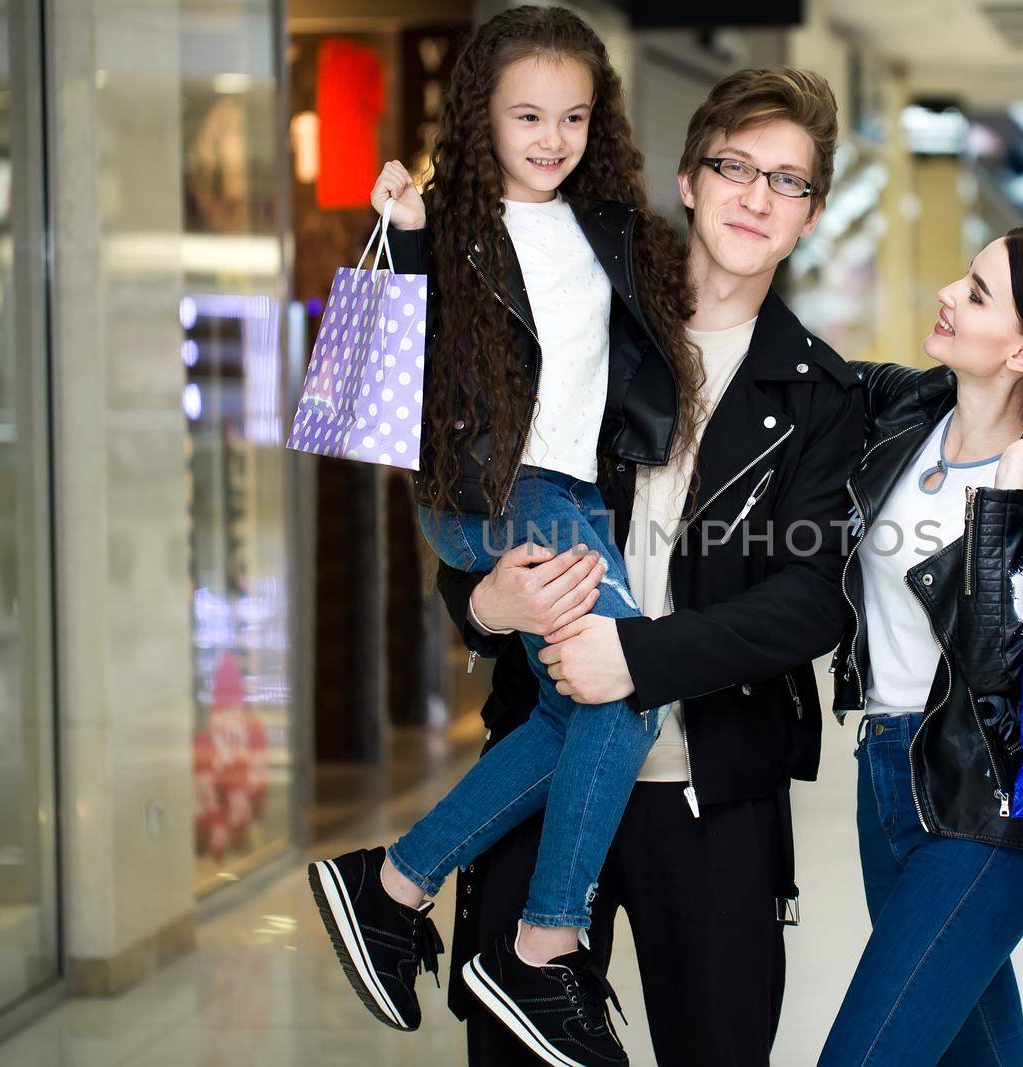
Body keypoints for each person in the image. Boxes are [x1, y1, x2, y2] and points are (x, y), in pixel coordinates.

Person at [438, 68, 863, 1066]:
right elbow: (478, 502)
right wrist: (478, 601)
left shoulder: (819, 396)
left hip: (707, 790)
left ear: (810, 214)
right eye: (734, 167)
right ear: (686, 179)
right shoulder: (578, 340)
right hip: (541, 768)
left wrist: (637, 656)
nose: (756, 196)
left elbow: (808, 601)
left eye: (787, 181)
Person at [305, 9, 702, 1065]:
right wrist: (401, 227)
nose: (551, 136)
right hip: (492, 485)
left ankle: (391, 884)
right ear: (481, 114)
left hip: (569, 492)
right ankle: (539, 943)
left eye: (572, 115)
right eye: (527, 114)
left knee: (596, 709)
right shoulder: (448, 219)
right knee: (624, 687)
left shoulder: (604, 224)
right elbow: (382, 366)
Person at [821, 225, 1023, 1066]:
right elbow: (784, 370)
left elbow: (999, 676)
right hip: (885, 780)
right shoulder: (907, 409)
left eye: (978, 292)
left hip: (989, 814)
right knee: (982, 1056)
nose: (948, 295)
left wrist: (1002, 492)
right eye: (965, 278)